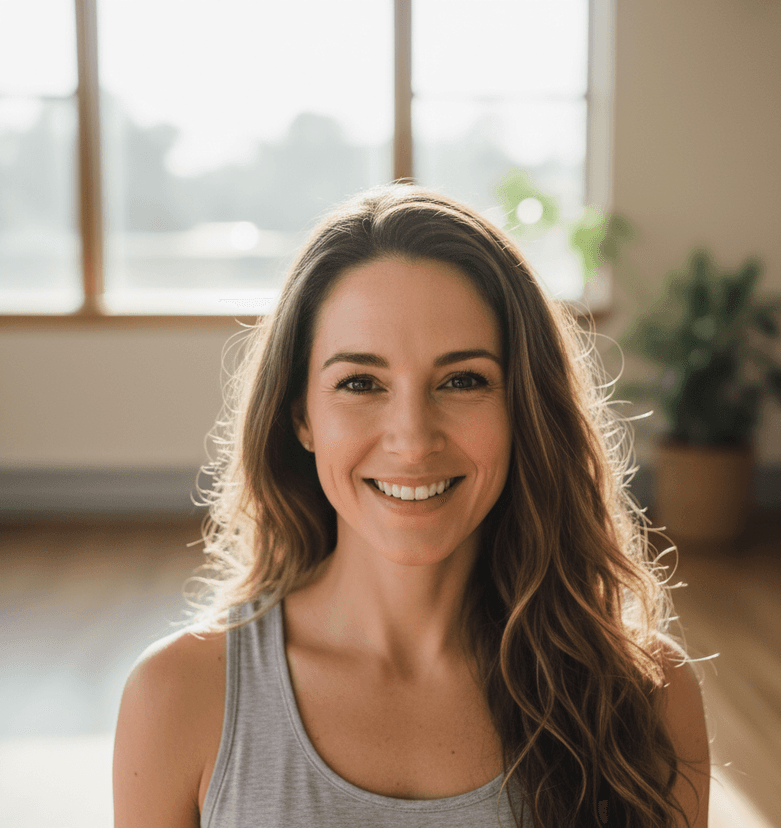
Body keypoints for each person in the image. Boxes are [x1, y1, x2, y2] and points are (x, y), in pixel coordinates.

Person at [113, 183, 710, 827]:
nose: (413, 439)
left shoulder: (647, 697)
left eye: (462, 380)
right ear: (301, 417)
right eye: (360, 383)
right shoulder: (178, 697)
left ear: (523, 410)